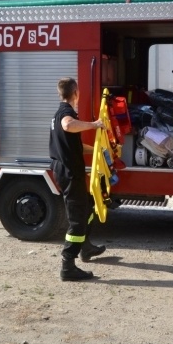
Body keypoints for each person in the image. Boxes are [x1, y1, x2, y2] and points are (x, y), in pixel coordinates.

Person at [49, 77, 108, 281]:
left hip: (66, 169)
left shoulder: (59, 113)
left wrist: (96, 150)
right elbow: (68, 126)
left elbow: (72, 145)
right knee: (77, 218)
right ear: (76, 93)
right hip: (69, 172)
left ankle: (86, 247)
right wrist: (94, 125)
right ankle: (68, 265)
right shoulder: (66, 115)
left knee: (88, 207)